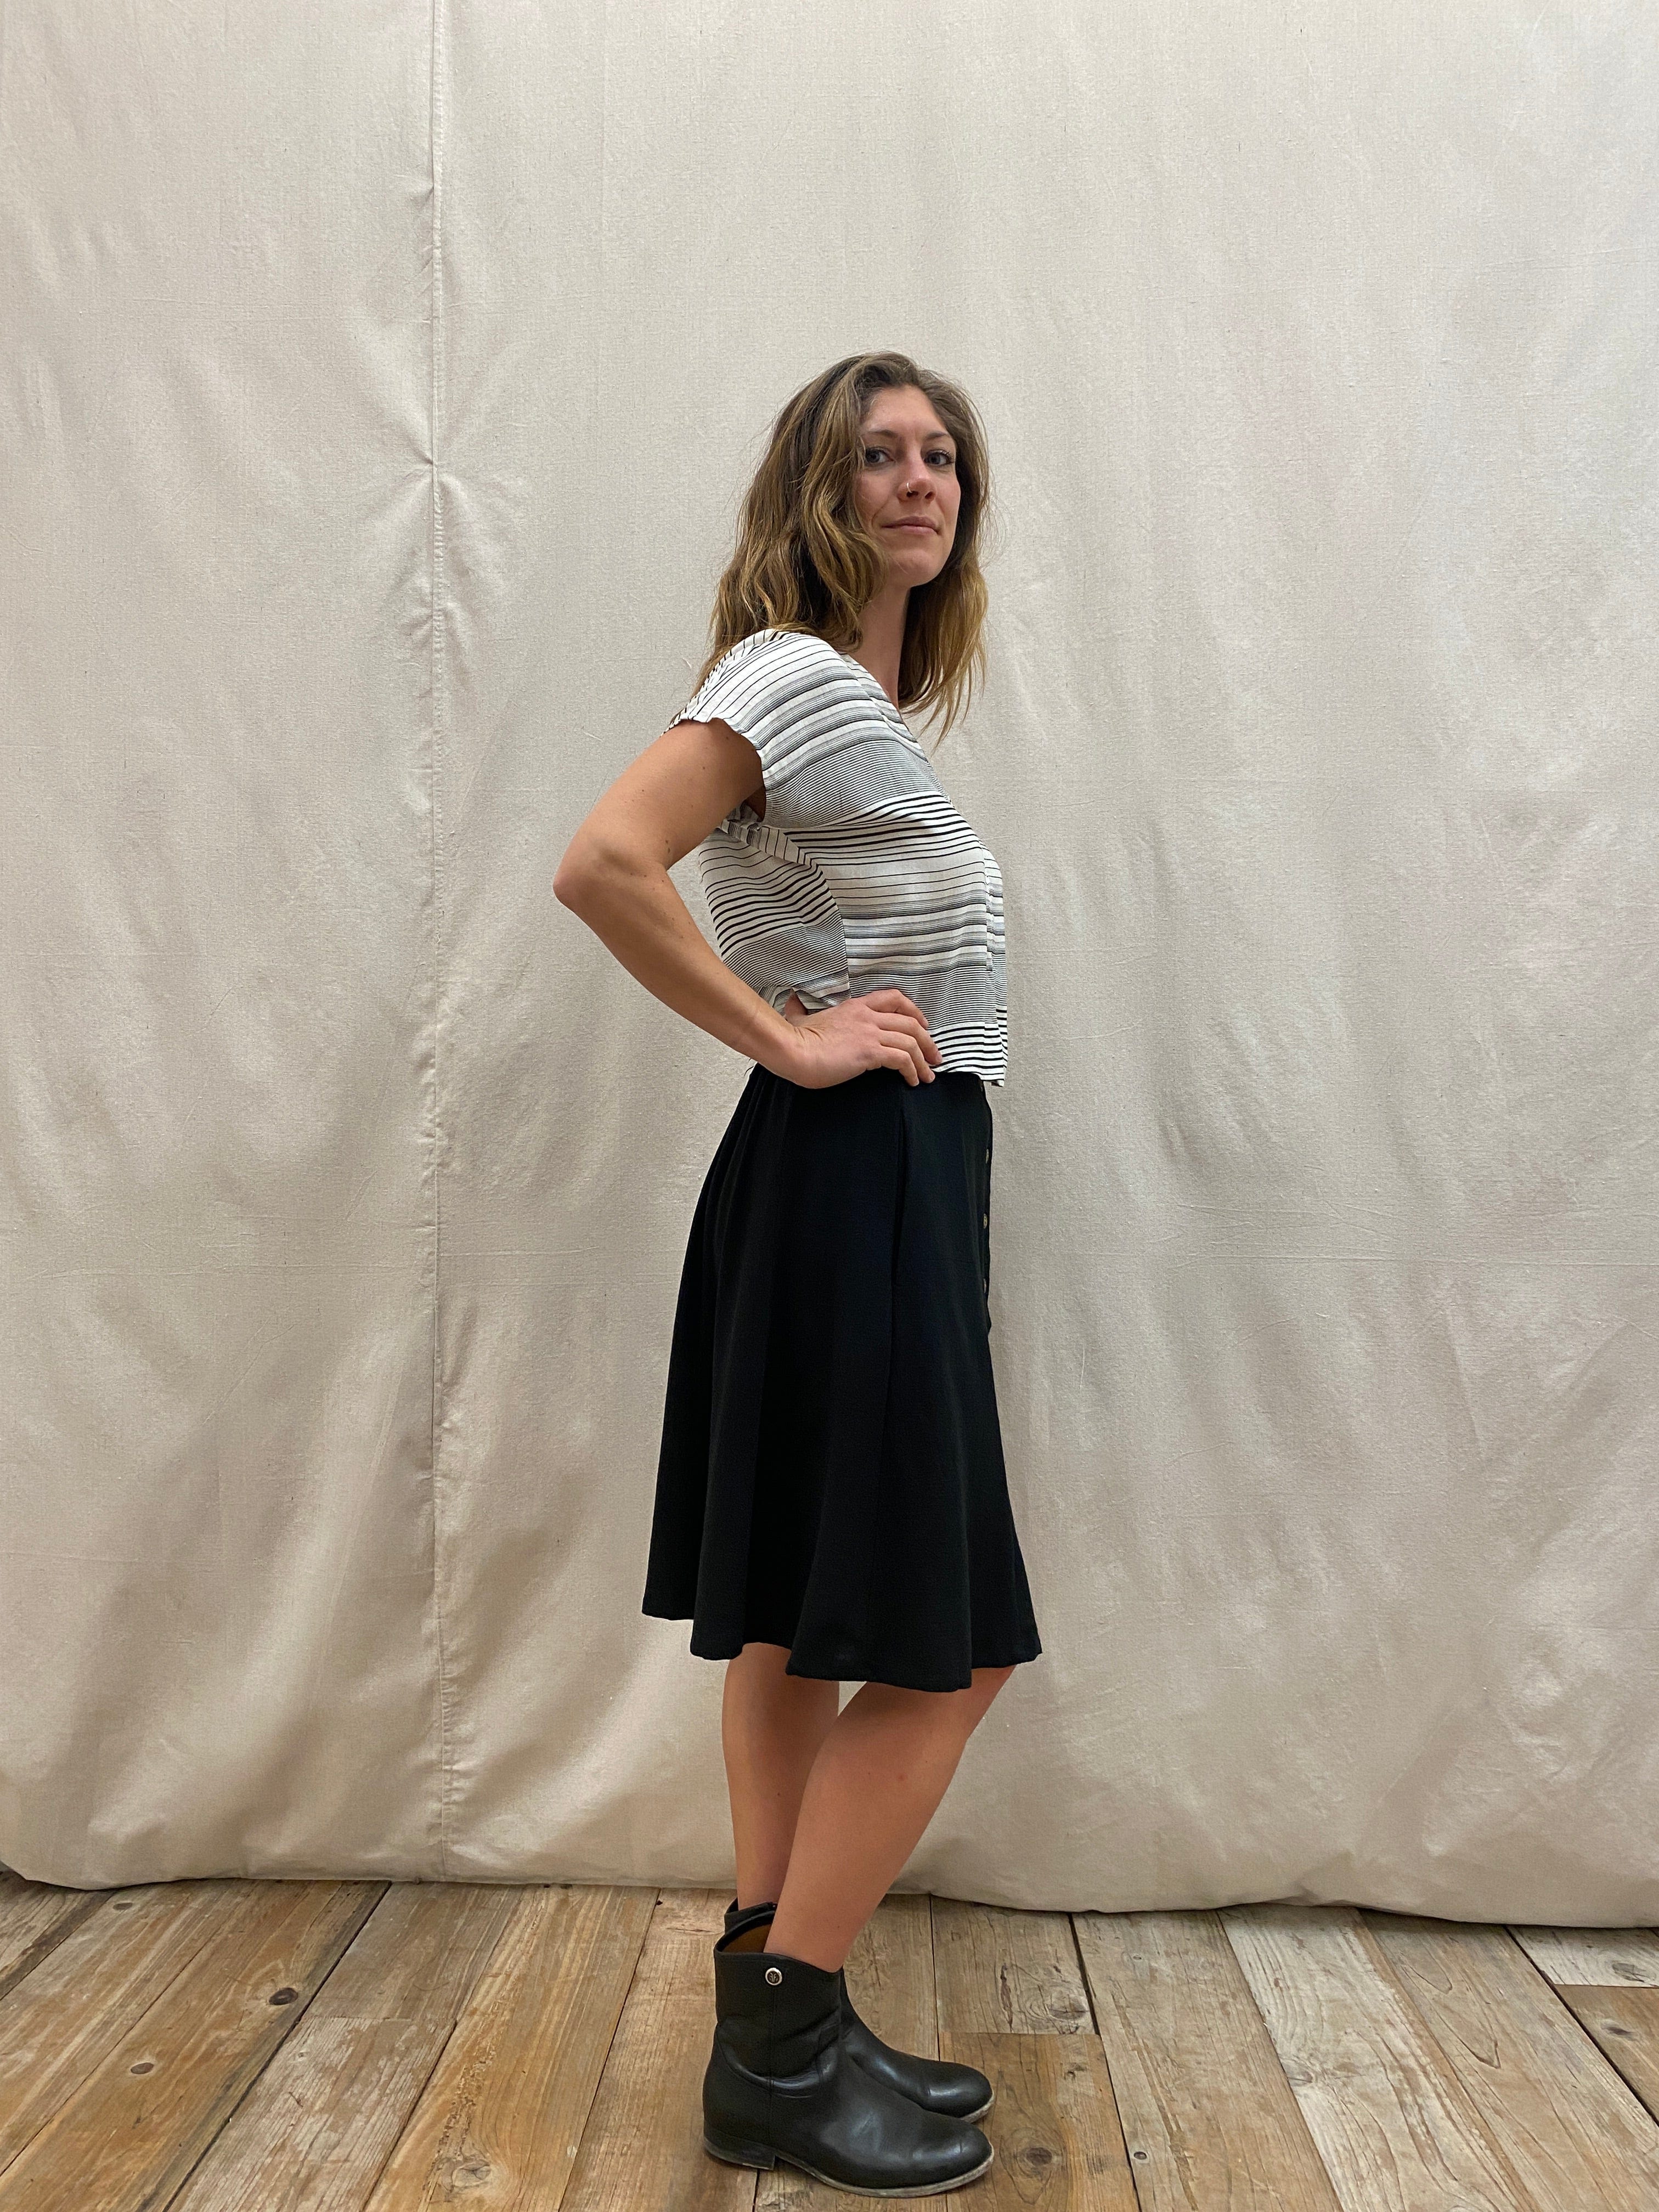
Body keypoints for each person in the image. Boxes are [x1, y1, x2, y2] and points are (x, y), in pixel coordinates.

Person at [554, 350, 1042, 2197]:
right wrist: (791, 1036)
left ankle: (788, 2026)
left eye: (943, 456)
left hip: (854, 1178)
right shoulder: (798, 675)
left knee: (786, 1617)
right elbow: (607, 863)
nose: (919, 480)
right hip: (858, 1173)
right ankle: (782, 2036)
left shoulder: (854, 709)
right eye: (878, 455)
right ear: (815, 491)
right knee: (953, 1649)